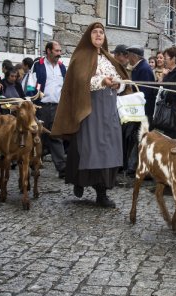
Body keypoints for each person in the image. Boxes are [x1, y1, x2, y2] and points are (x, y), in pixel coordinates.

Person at [51, 22, 130, 208]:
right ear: (89, 36)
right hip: (89, 109)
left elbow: (123, 81)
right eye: (94, 32)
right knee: (88, 149)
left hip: (109, 110)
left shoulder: (109, 58)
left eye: (101, 32)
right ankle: (79, 180)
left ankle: (102, 193)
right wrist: (102, 80)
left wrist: (118, 84)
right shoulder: (81, 57)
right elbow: (79, 82)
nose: (98, 35)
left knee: (109, 149)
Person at [32, 41, 67, 179]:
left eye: (59, 51)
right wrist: (32, 104)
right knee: (37, 136)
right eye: (56, 50)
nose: (59, 53)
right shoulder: (38, 65)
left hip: (57, 107)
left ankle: (62, 168)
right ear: (48, 51)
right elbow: (30, 86)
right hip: (41, 106)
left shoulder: (62, 67)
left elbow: (65, 88)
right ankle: (33, 165)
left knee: (56, 136)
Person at [122, 45, 156, 176]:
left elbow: (145, 93)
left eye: (128, 55)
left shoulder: (144, 69)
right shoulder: (138, 68)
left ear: (135, 56)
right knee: (135, 138)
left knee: (140, 139)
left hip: (143, 112)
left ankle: (136, 167)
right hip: (137, 112)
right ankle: (132, 166)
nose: (127, 58)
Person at [158, 46, 176, 139]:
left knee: (173, 139)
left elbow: (172, 93)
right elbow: (159, 88)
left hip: (174, 114)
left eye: (166, 58)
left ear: (173, 59)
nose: (164, 60)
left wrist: (163, 91)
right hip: (165, 111)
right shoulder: (168, 73)